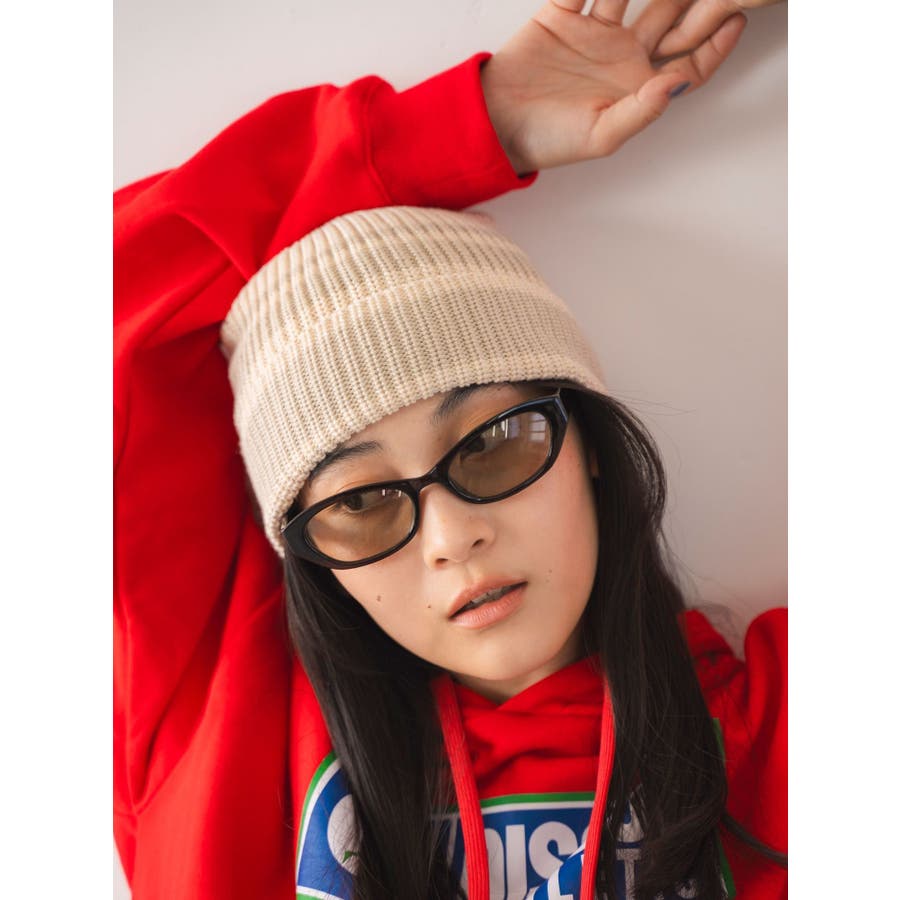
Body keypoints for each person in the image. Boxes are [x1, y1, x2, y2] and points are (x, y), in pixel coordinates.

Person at [113, 2, 787, 898]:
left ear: (586, 440)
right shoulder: (224, 728)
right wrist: (477, 120)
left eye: (492, 443)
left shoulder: (783, 732)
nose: (450, 537)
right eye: (358, 502)